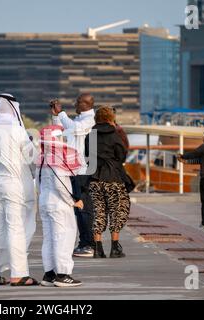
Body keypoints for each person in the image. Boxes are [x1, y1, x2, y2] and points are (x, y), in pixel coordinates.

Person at [0, 93, 38, 286]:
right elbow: (32, 158)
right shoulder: (16, 129)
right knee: (15, 227)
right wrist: (32, 174)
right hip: (12, 184)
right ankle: (18, 274)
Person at [37, 125, 84, 287]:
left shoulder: (41, 158)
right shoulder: (56, 158)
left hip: (44, 201)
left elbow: (39, 182)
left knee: (49, 238)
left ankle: (49, 274)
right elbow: (60, 184)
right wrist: (73, 201)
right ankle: (63, 275)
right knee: (63, 237)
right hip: (58, 203)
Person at [51, 94, 96, 258]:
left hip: (82, 171)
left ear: (86, 104)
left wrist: (61, 113)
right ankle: (84, 242)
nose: (75, 103)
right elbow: (61, 131)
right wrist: (56, 117)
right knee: (77, 208)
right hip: (72, 169)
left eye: (78, 102)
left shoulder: (90, 119)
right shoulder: (77, 119)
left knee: (84, 208)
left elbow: (75, 129)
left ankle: (89, 244)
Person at [85, 106, 131, 258]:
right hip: (113, 179)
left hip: (94, 178)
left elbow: (87, 156)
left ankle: (98, 248)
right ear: (111, 118)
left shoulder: (90, 135)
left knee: (98, 212)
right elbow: (122, 156)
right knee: (117, 211)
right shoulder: (115, 134)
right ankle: (115, 247)